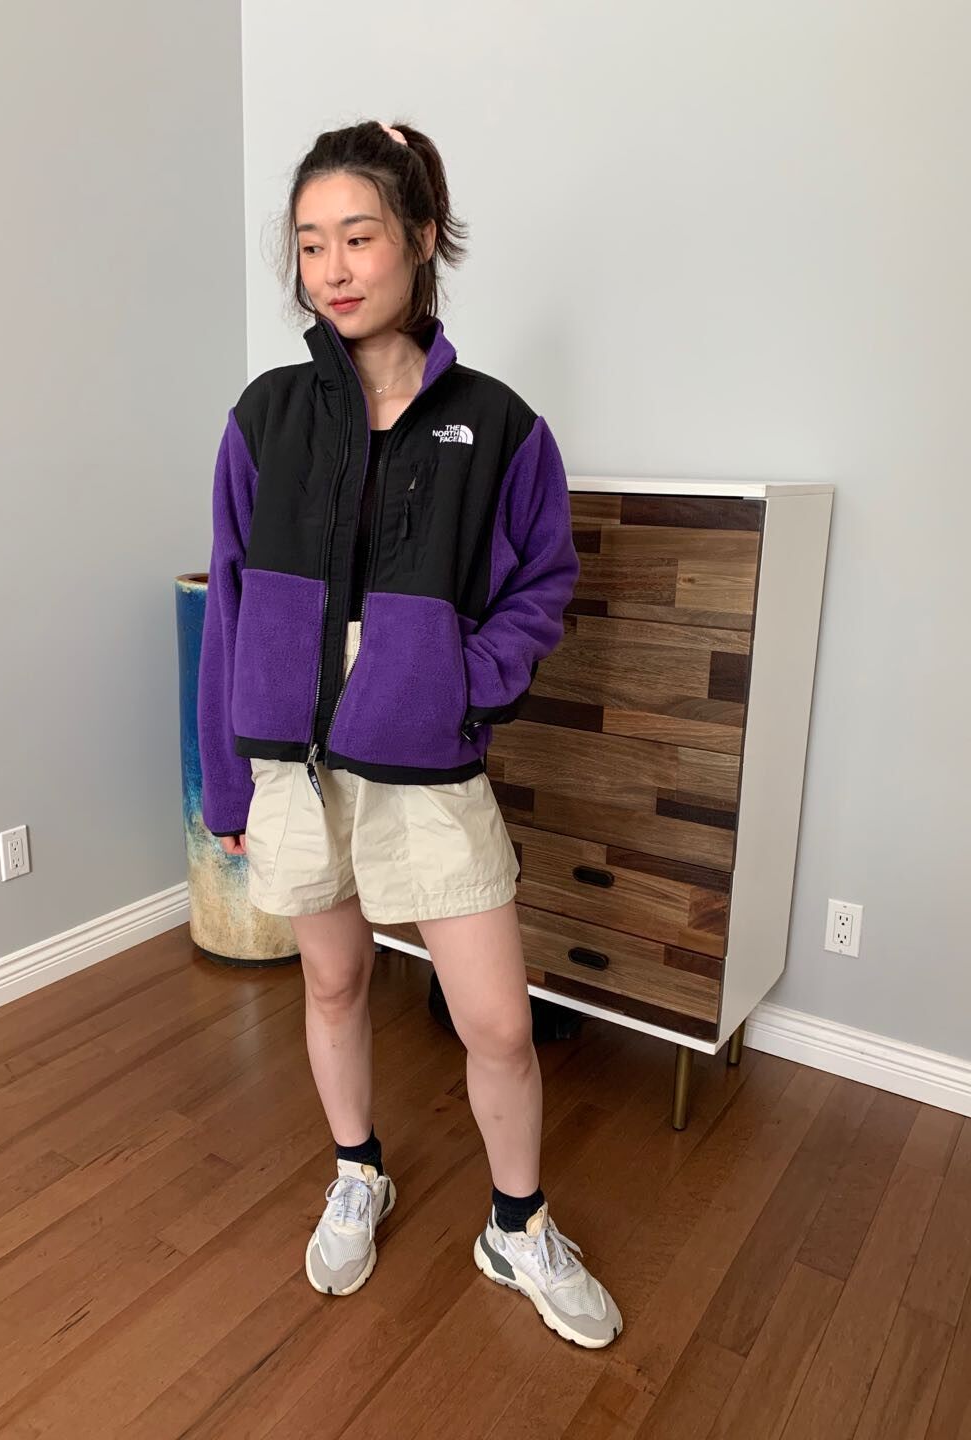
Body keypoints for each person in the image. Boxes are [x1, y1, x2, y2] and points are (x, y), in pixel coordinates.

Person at [197, 118, 622, 1349]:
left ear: (422, 239)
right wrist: (229, 780)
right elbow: (231, 597)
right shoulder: (266, 417)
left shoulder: (499, 426)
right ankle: (358, 1173)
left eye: (359, 237)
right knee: (333, 983)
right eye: (309, 243)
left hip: (425, 757)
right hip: (292, 759)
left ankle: (517, 1224)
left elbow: (542, 583)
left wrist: (461, 687)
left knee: (497, 1022)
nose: (331, 268)